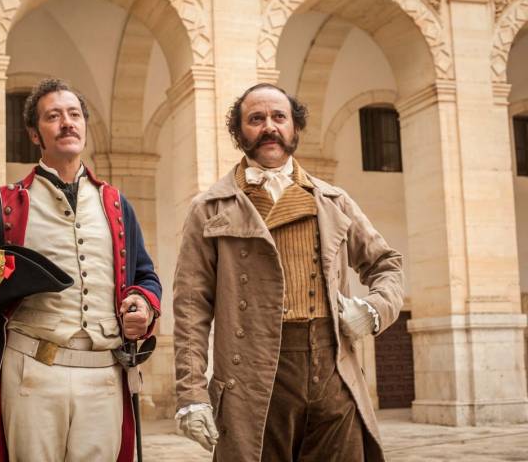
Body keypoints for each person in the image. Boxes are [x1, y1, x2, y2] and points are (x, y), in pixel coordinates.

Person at [0, 78, 161, 462]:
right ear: (35, 134)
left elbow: (145, 276)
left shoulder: (118, 205)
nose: (67, 123)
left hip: (105, 375)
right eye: (53, 116)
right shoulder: (0, 204)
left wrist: (143, 303)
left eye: (74, 115)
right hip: (32, 374)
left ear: (85, 126)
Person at [172, 83, 403, 461]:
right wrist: (191, 393)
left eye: (279, 117)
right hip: (254, 384)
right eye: (256, 119)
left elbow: (387, 264)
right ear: (238, 131)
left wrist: (376, 309)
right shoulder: (209, 208)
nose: (269, 127)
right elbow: (191, 309)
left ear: (294, 127)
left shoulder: (333, 200)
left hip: (334, 377)